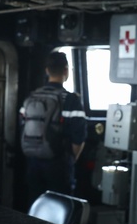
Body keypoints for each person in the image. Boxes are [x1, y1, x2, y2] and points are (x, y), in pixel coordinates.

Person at [21, 50, 87, 206]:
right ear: (66, 71)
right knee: (60, 208)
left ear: (47, 70)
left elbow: (22, 127)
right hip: (59, 163)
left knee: (35, 206)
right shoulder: (71, 100)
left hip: (33, 163)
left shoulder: (31, 97)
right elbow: (79, 136)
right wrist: (71, 159)